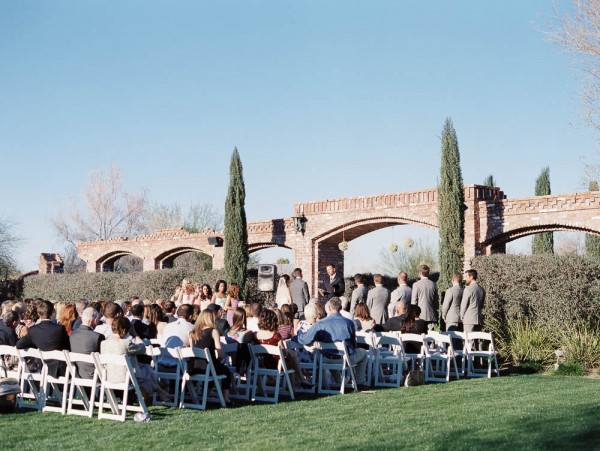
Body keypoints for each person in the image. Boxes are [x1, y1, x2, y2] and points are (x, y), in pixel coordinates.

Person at [297, 297, 368, 389]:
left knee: (332, 353)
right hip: (344, 358)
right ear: (340, 308)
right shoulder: (348, 323)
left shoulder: (321, 324)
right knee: (364, 353)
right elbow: (352, 343)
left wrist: (299, 332)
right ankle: (359, 382)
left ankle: (338, 381)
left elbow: (305, 339)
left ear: (329, 308)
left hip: (326, 358)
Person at [101, 317, 171, 403]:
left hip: (108, 376)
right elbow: (143, 348)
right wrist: (136, 335)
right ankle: (159, 391)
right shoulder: (126, 343)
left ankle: (160, 391)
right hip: (125, 378)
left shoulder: (103, 344)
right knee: (147, 370)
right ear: (123, 331)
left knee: (145, 368)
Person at [189, 310, 233, 405]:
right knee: (226, 371)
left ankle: (207, 391)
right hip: (208, 367)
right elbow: (220, 352)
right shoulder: (213, 331)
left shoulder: (192, 333)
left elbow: (192, 350)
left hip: (195, 367)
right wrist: (220, 359)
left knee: (215, 368)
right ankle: (225, 398)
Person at [16, 300, 70, 377]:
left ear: (38, 314)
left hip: (42, 367)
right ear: (52, 314)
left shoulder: (33, 330)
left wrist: (35, 345)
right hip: (59, 370)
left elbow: (19, 345)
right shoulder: (59, 329)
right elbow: (68, 347)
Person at [69, 307, 105, 379]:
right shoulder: (98, 337)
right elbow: (103, 359)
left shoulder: (72, 334)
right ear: (95, 320)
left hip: (76, 374)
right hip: (93, 376)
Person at [411, 264, 439, 328]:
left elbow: (414, 301)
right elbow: (436, 301)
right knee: (431, 336)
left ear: (420, 272)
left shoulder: (416, 285)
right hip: (431, 314)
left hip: (420, 315)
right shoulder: (433, 284)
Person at [460, 269, 485, 333]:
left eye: (466, 277)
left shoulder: (468, 289)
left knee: (468, 340)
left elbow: (464, 304)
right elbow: (481, 305)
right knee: (477, 340)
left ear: (471, 277)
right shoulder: (482, 289)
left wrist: (461, 316)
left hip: (469, 319)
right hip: (479, 318)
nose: (465, 279)